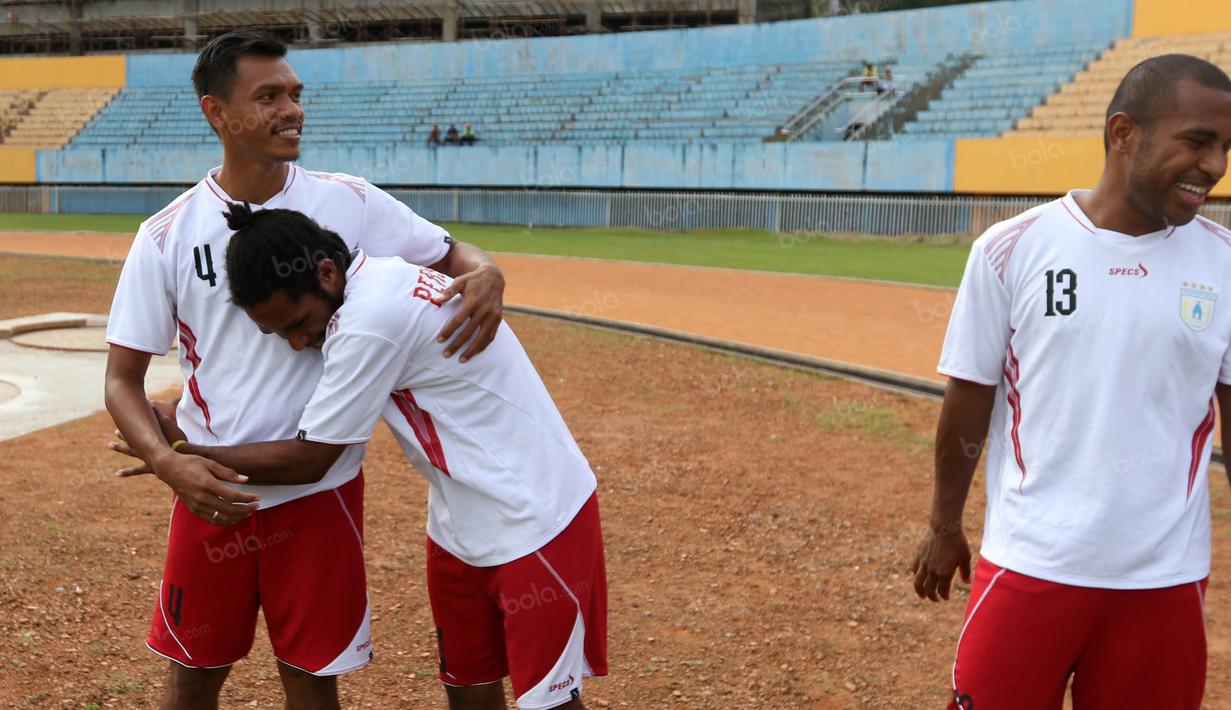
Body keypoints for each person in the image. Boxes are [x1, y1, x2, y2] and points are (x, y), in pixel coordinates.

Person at [103, 30, 506, 710]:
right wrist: (170, 464)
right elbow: (121, 379)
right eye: (268, 97)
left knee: (312, 680)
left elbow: (449, 252)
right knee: (193, 676)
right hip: (211, 494)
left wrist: (486, 269)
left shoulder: (348, 201)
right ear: (216, 112)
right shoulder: (167, 234)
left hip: (322, 492)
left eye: (295, 94)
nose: (292, 110)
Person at [118, 202, 607, 710]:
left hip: (536, 518)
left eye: (298, 322)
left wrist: (180, 451)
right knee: (469, 687)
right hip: (459, 522)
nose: (297, 342)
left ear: (327, 273)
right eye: (279, 333)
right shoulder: (378, 280)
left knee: (547, 703)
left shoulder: (370, 320)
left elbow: (312, 459)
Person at [911, 54, 1231, 709]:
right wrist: (944, 524)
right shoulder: (1011, 248)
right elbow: (968, 400)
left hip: (1164, 581)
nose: (1214, 165)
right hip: (1031, 563)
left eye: (1225, 147)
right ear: (1123, 133)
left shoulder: (1223, 263)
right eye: (1198, 141)